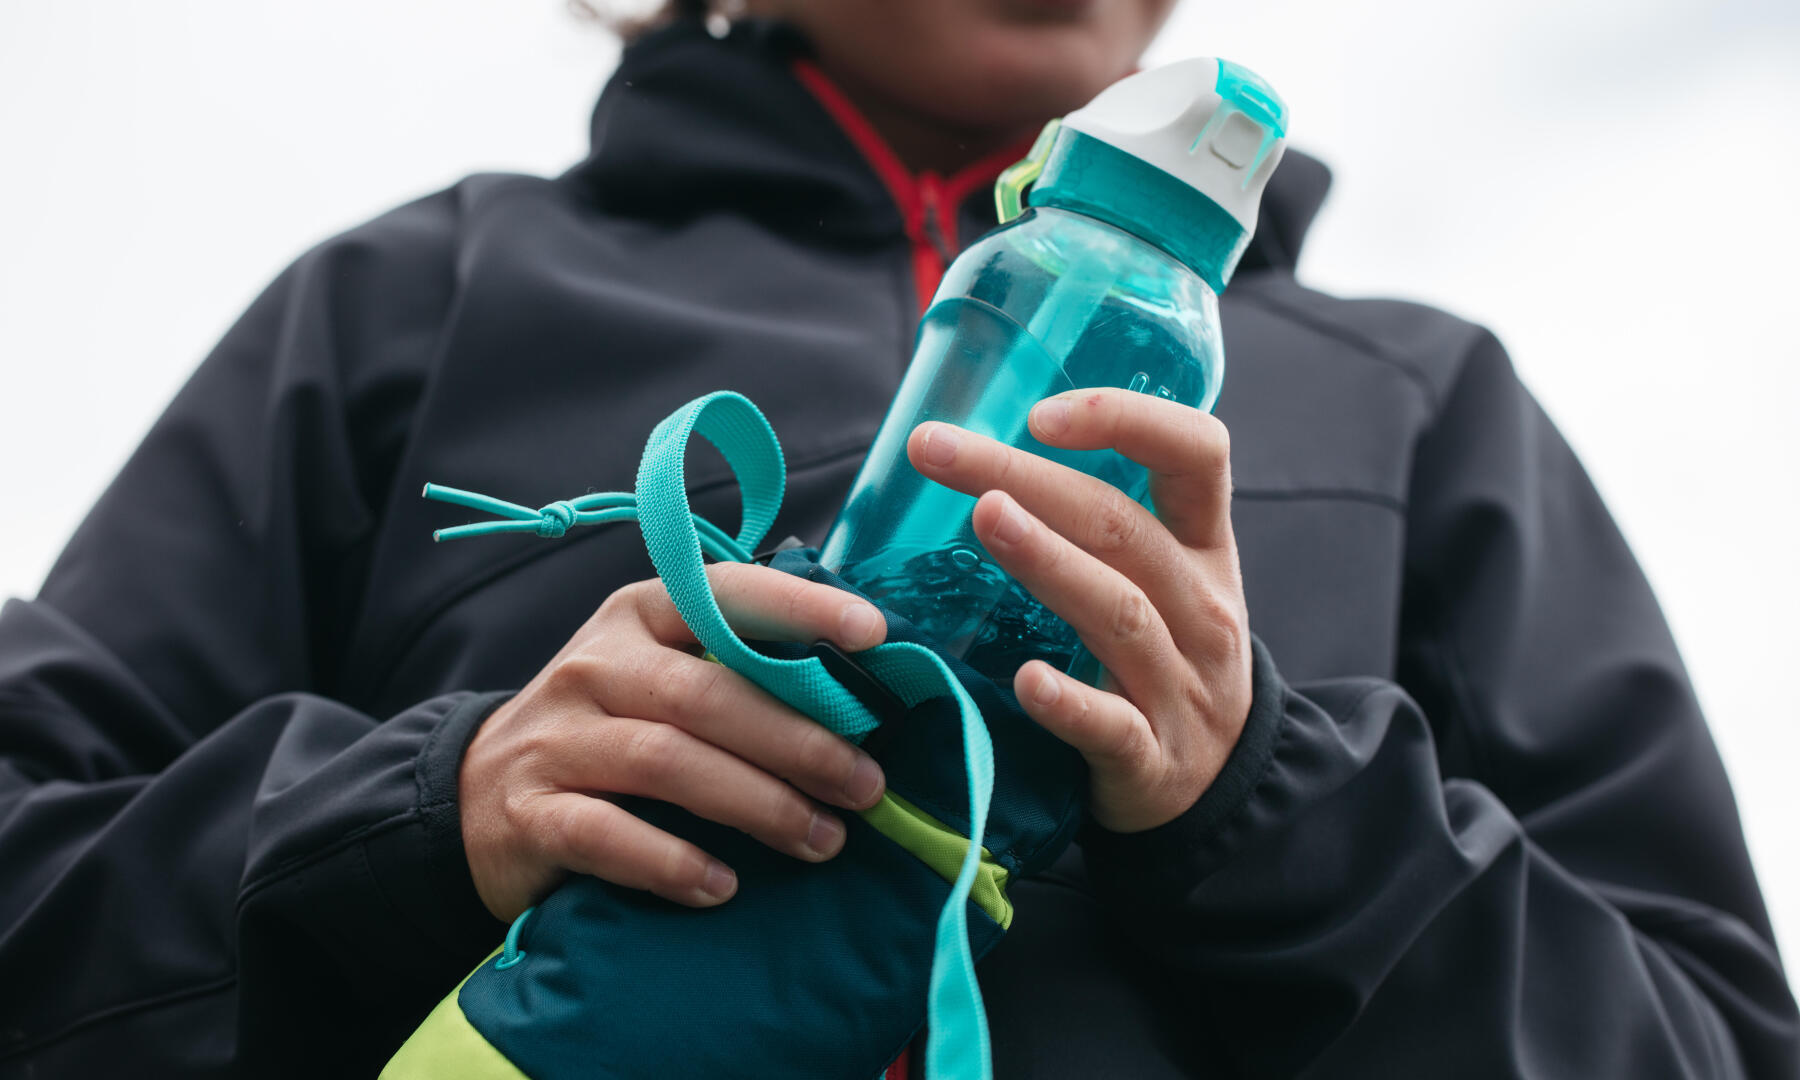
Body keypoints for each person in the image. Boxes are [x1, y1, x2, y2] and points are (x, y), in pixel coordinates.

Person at [0, 1, 1794, 1076]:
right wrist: (436, 814)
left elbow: (1706, 1041)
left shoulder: (1422, 402)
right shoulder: (417, 304)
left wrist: (1270, 809)